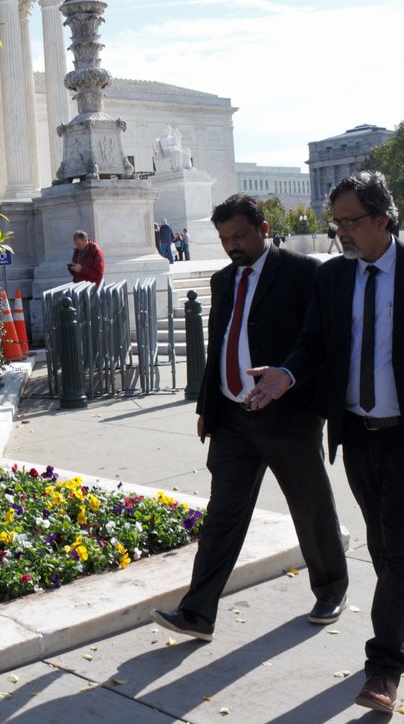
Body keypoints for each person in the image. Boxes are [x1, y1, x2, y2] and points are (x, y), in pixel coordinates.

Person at [244, 171, 404, 715]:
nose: (341, 233)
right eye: (336, 223)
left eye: (351, 222)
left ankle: (384, 668)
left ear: (383, 218)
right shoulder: (334, 278)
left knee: (400, 549)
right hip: (357, 433)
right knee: (382, 545)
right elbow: (313, 343)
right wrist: (285, 375)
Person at [149, 194, 348, 643]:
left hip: (288, 415)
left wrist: (295, 386)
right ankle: (198, 612)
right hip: (233, 418)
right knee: (222, 516)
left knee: (309, 505)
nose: (232, 245)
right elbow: (217, 345)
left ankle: (331, 588)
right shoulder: (223, 281)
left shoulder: (303, 273)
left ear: (262, 227)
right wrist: (206, 408)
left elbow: (317, 340)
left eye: (239, 235)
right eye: (223, 239)